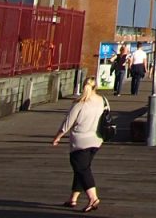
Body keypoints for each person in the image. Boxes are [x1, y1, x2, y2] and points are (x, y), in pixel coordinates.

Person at [52, 76, 103, 212]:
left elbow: (68, 122)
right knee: (81, 168)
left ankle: (93, 198)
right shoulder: (102, 100)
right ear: (95, 87)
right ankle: (73, 198)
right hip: (97, 140)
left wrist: (58, 136)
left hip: (80, 141)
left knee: (82, 169)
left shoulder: (80, 102)